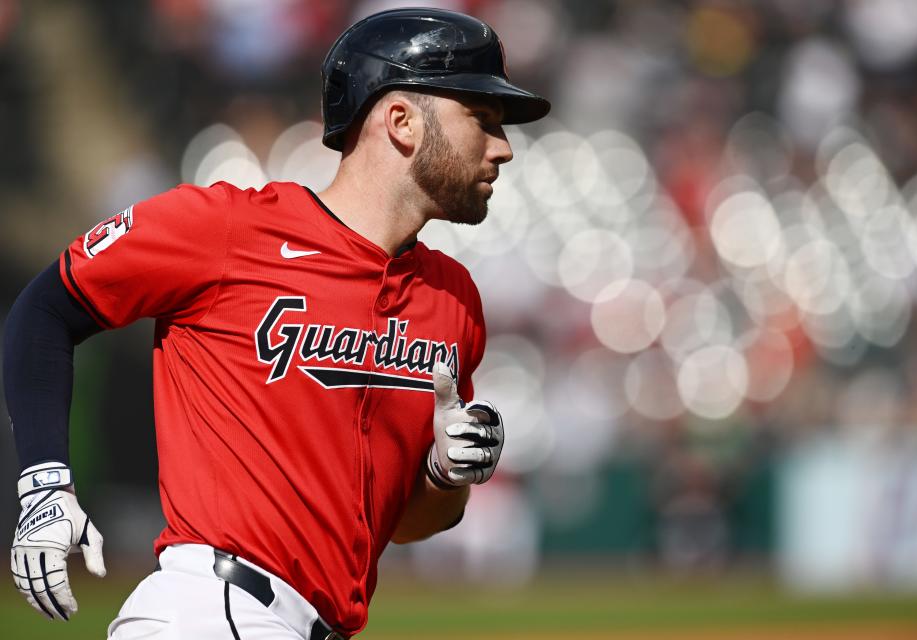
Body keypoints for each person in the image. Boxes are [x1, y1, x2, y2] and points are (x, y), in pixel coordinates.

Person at [4, 8, 550, 639]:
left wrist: (443, 475)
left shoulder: (451, 301)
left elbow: (407, 523)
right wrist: (44, 483)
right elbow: (45, 308)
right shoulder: (229, 229)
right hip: (213, 610)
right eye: (481, 120)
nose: (503, 146)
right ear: (400, 121)